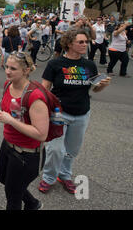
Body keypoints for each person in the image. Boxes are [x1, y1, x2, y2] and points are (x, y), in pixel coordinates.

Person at [38, 28, 111, 194]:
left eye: (86, 42)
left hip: (82, 113)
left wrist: (102, 86)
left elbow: (93, 90)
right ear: (69, 44)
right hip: (59, 113)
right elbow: (44, 89)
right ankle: (48, 178)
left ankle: (64, 176)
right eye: (81, 42)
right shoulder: (55, 64)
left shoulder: (89, 65)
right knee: (55, 149)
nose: (85, 44)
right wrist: (42, 111)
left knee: (71, 150)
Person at [0, 52, 49, 210]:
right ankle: (33, 203)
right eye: (6, 67)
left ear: (26, 70)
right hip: (8, 146)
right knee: (5, 180)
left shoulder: (35, 96)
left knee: (12, 196)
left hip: (27, 155)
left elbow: (41, 134)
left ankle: (31, 204)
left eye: (13, 68)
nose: (7, 71)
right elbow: (7, 113)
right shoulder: (8, 85)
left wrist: (11, 121)